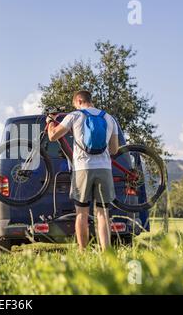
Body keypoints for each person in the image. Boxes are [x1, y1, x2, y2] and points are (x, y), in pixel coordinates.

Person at [46, 90, 119, 251]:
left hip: (82, 169)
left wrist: (51, 121)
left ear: (79, 100)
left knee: (82, 213)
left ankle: (82, 251)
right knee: (102, 214)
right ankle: (106, 252)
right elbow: (114, 150)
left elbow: (52, 136)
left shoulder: (75, 116)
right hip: (104, 169)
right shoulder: (109, 118)